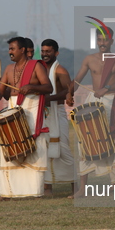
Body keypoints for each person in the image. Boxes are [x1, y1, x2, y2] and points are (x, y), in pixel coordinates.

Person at [67, 28, 115, 198]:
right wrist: (68, 94)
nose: (102, 43)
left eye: (106, 40)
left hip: (112, 102)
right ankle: (82, 189)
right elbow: (77, 80)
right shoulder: (89, 59)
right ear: (96, 41)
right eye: (99, 40)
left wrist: (108, 88)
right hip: (93, 102)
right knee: (86, 142)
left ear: (111, 41)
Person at [0, 37, 53, 201]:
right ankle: (7, 192)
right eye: (9, 49)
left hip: (32, 110)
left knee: (34, 147)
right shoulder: (9, 69)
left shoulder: (36, 66)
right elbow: (1, 90)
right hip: (14, 108)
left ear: (22, 50)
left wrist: (31, 87)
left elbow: (48, 87)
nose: (10, 52)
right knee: (9, 145)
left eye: (13, 49)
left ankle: (36, 192)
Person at [41, 39, 75, 196]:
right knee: (44, 149)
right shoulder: (39, 69)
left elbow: (69, 91)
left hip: (57, 111)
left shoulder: (60, 70)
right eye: (43, 51)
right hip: (44, 114)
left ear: (56, 53)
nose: (45, 54)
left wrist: (49, 99)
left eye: (48, 51)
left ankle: (76, 187)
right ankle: (47, 188)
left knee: (63, 149)